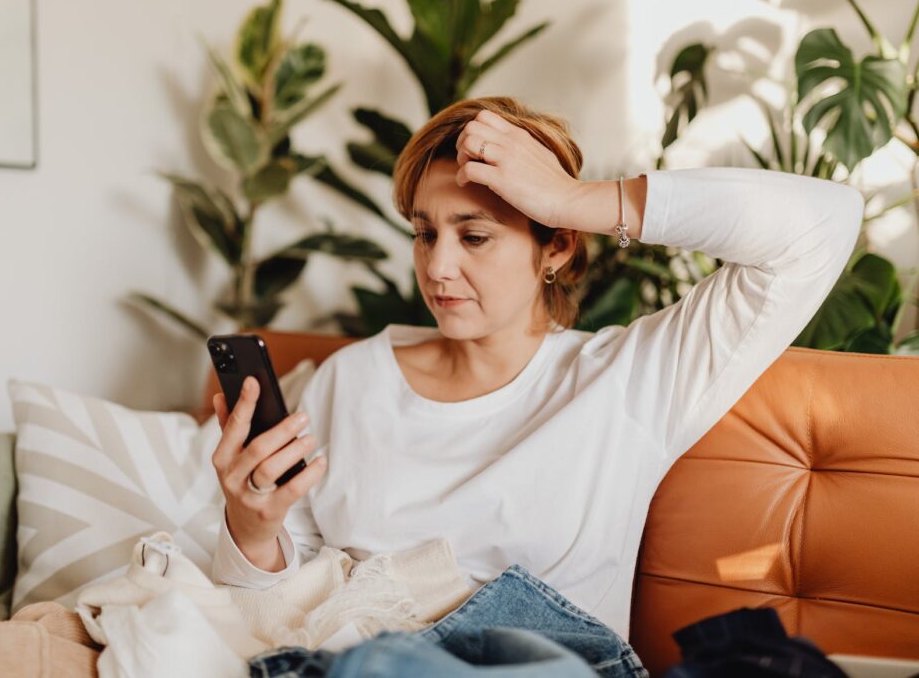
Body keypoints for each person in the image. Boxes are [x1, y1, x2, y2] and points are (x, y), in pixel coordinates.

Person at [206, 96, 865, 674]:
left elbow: (821, 224)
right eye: (423, 233)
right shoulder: (352, 378)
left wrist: (573, 198)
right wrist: (253, 528)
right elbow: (288, 593)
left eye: (474, 236)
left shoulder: (629, 380)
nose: (437, 266)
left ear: (554, 247)